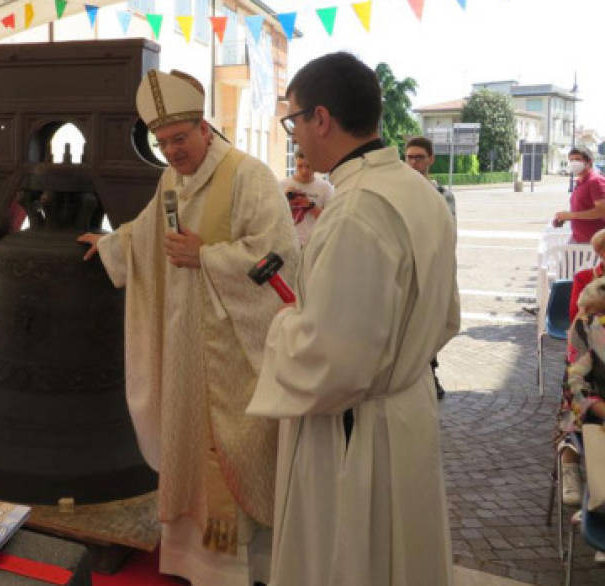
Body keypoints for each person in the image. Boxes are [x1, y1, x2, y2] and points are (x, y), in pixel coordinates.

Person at [78, 69, 298, 585]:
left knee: (233, 452)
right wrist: (112, 244)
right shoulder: (171, 179)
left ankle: (245, 567)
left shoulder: (248, 175)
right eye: (162, 142)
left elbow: (280, 255)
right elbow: (152, 232)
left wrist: (209, 256)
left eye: (179, 139)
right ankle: (189, 560)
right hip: (184, 343)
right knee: (187, 448)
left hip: (234, 351)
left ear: (204, 127)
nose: (172, 151)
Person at [247, 52, 459, 586]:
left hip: (356, 435)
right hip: (406, 412)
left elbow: (333, 360)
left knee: (352, 563)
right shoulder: (421, 193)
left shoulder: (357, 209)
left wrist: (282, 328)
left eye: (292, 120)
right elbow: (447, 317)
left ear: (321, 118)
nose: (292, 135)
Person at [405, 135, 457, 400]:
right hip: (406, 270)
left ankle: (431, 373)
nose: (413, 163)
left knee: (432, 324)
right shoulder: (399, 192)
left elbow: (448, 234)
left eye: (419, 157)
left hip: (433, 269)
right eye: (409, 157)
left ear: (430, 159)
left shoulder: (442, 195)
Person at [563, 275, 605, 506]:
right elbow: (575, 380)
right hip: (592, 399)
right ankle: (570, 465)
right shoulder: (585, 327)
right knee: (573, 404)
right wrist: (598, 407)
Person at [279, 150, 333, 246]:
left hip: (315, 244)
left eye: (309, 166)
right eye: (300, 166)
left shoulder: (325, 187)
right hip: (289, 243)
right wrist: (285, 199)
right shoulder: (283, 185)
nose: (304, 171)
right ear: (295, 164)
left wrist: (310, 205)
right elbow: (274, 217)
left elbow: (330, 220)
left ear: (315, 165)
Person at [553, 147, 605, 243]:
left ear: (589, 162)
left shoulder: (595, 181)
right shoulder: (580, 182)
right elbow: (583, 209)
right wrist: (565, 217)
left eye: (577, 159)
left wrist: (571, 215)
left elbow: (602, 211)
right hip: (579, 238)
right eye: (571, 160)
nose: (573, 163)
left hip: (593, 242)